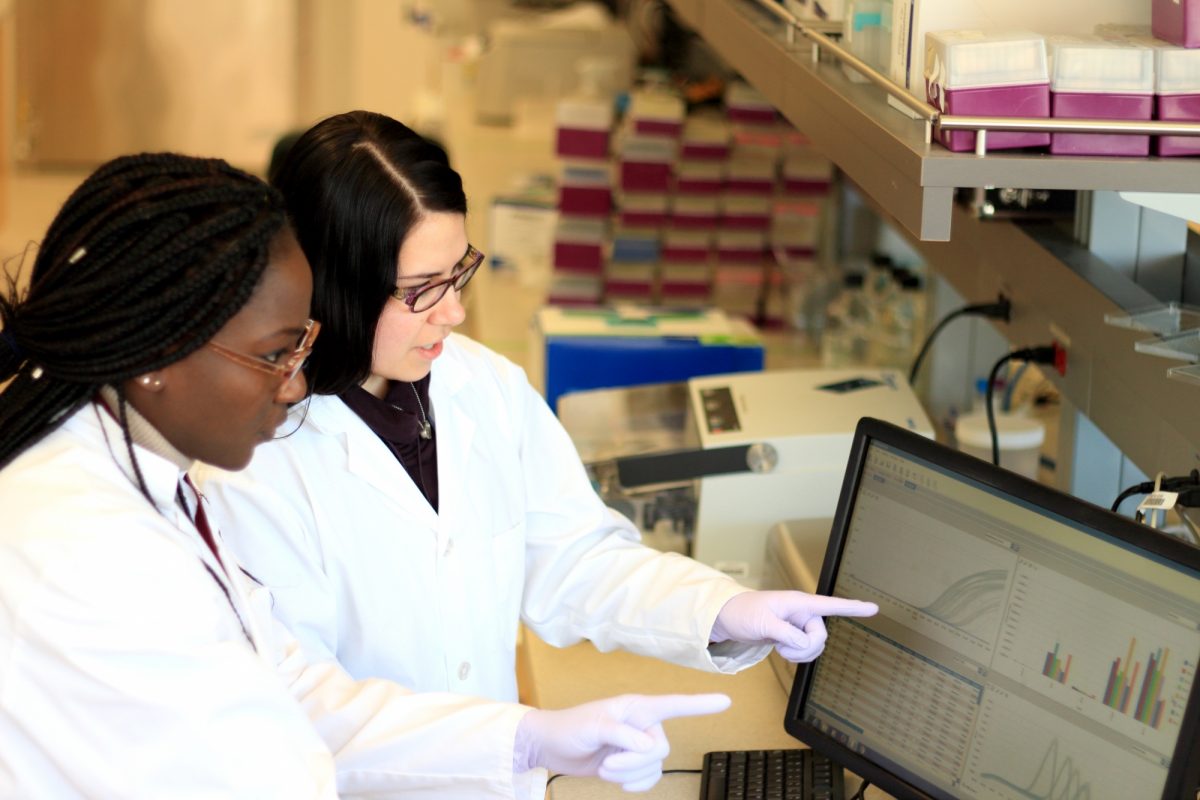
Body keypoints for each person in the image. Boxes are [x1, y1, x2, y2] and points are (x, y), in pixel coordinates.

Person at [0, 152, 732, 797]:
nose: (294, 384)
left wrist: (523, 740)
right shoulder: (84, 550)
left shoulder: (135, 476)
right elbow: (262, 767)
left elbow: (286, 681)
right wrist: (520, 743)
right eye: (275, 354)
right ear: (156, 357)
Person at [194, 110, 877, 708]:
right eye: (422, 289)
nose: (454, 312)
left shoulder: (482, 386)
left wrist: (723, 609)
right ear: (334, 284)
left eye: (458, 273)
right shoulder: (252, 466)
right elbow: (310, 703)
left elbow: (574, 558)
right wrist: (521, 743)